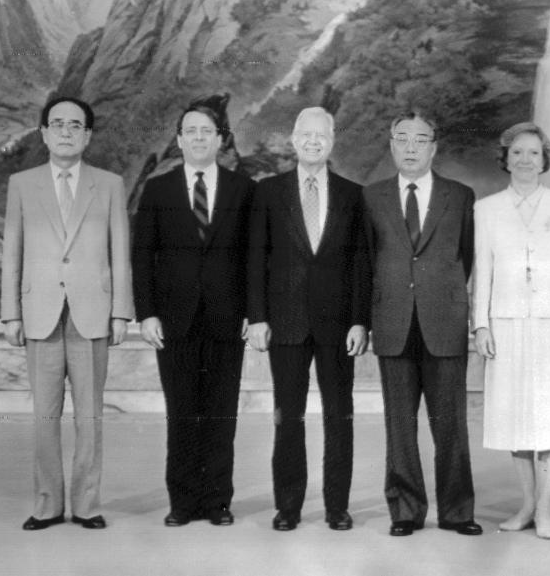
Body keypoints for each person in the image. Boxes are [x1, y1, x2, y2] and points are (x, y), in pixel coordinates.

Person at [1, 96, 133, 531]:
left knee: (90, 416)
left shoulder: (109, 184)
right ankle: (46, 505)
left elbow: (120, 252)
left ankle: (88, 504)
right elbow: (12, 253)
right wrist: (10, 315)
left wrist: (121, 313)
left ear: (87, 135)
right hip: (38, 312)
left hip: (92, 313)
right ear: (43, 132)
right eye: (56, 124)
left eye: (75, 125)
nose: (65, 131)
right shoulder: (22, 184)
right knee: (44, 417)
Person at [131, 93, 255, 527]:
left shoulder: (244, 189)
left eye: (207, 131)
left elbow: (254, 257)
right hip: (174, 319)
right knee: (181, 412)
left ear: (221, 139)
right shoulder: (158, 189)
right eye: (191, 132)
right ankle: (182, 502)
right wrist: (146, 313)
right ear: (178, 140)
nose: (199, 138)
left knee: (222, 414)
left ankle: (218, 501)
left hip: (227, 317)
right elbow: (142, 256)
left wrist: (254, 312)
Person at [247, 106, 369, 532]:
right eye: (306, 134)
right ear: (293, 140)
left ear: (332, 141)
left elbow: (360, 263)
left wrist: (360, 321)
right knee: (288, 416)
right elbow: (255, 258)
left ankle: (337, 506)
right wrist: (257, 317)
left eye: (322, 135)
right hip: (286, 322)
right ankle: (289, 506)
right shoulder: (268, 191)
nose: (314, 141)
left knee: (340, 415)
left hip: (339, 325)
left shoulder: (354, 195)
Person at [362, 111, 481, 537]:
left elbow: (467, 258)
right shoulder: (371, 197)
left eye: (420, 140)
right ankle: (405, 511)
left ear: (434, 147)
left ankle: (457, 511)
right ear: (391, 144)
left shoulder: (460, 196)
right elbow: (366, 263)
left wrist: (446, 299)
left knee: (450, 424)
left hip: (444, 322)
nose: (410, 147)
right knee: (400, 424)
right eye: (402, 139)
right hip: (392, 322)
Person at [472, 122, 550, 540]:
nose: (525, 160)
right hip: (505, 326)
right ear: (506, 158)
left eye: (533, 153)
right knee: (512, 417)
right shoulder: (485, 209)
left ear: (545, 160)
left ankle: (545, 508)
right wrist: (481, 324)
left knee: (549, 418)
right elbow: (481, 271)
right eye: (517, 152)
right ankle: (526, 503)